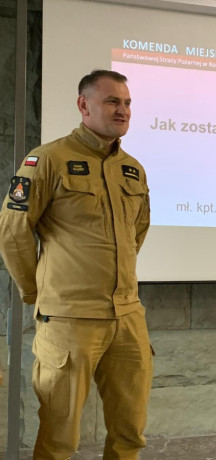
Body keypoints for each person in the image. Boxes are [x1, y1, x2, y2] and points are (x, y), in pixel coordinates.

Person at [0, 69, 153, 460]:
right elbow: (14, 231)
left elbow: (136, 232)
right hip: (69, 320)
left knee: (130, 433)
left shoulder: (133, 168)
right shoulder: (47, 159)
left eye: (127, 103)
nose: (123, 110)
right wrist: (35, 291)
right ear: (84, 105)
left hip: (127, 318)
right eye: (112, 101)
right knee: (59, 437)